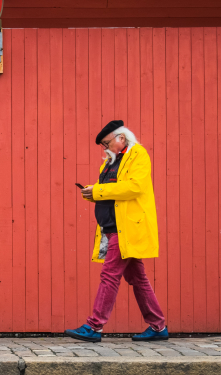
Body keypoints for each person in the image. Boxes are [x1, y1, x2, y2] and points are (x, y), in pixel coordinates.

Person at [65, 120, 168, 342]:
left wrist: (99, 191)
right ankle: (158, 327)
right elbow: (112, 193)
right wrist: (92, 193)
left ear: (120, 138)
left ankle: (94, 326)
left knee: (109, 275)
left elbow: (134, 187)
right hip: (112, 228)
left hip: (126, 228)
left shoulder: (138, 154)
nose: (105, 149)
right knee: (138, 279)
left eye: (106, 143)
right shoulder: (111, 162)